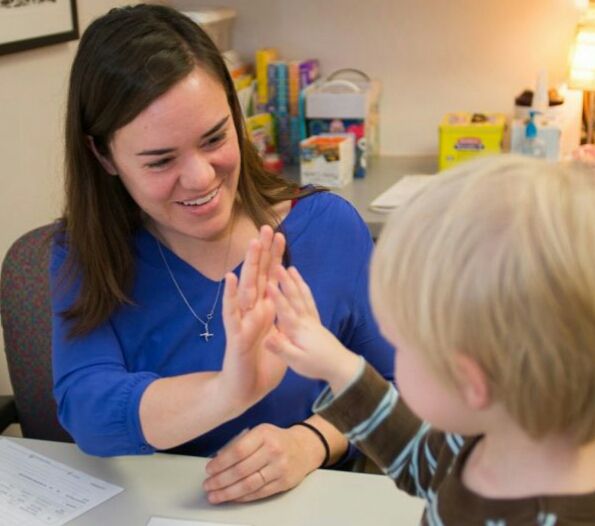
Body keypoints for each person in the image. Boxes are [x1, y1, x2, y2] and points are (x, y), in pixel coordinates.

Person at [50, 3, 394, 504]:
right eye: (161, 160)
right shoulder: (85, 251)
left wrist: (312, 441)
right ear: (103, 155)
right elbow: (86, 409)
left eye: (214, 138)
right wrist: (226, 392)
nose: (202, 178)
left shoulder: (329, 229)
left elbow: (395, 385)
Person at [266, 155, 595, 524]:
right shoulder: (484, 436)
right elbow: (417, 458)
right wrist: (336, 364)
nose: (393, 355)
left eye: (403, 346)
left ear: (469, 381)